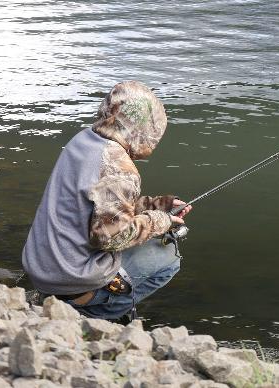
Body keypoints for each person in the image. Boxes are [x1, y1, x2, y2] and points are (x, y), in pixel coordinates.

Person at [22, 81, 192, 321]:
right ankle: (96, 313)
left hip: (41, 269)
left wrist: (158, 205)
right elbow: (111, 238)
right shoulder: (119, 167)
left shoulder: (82, 141)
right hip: (69, 278)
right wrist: (159, 221)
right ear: (146, 127)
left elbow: (94, 206)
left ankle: (66, 299)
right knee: (168, 258)